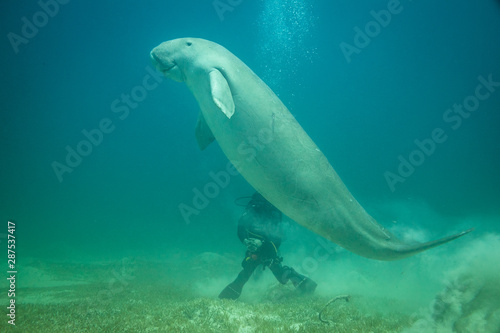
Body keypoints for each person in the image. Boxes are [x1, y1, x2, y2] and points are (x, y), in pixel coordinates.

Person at [219, 192, 317, 300]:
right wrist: (247, 241)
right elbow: (242, 229)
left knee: (250, 274)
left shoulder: (262, 212)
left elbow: (275, 236)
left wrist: (257, 243)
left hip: (266, 250)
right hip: (259, 250)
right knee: (252, 272)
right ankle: (304, 283)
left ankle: (227, 296)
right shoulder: (259, 211)